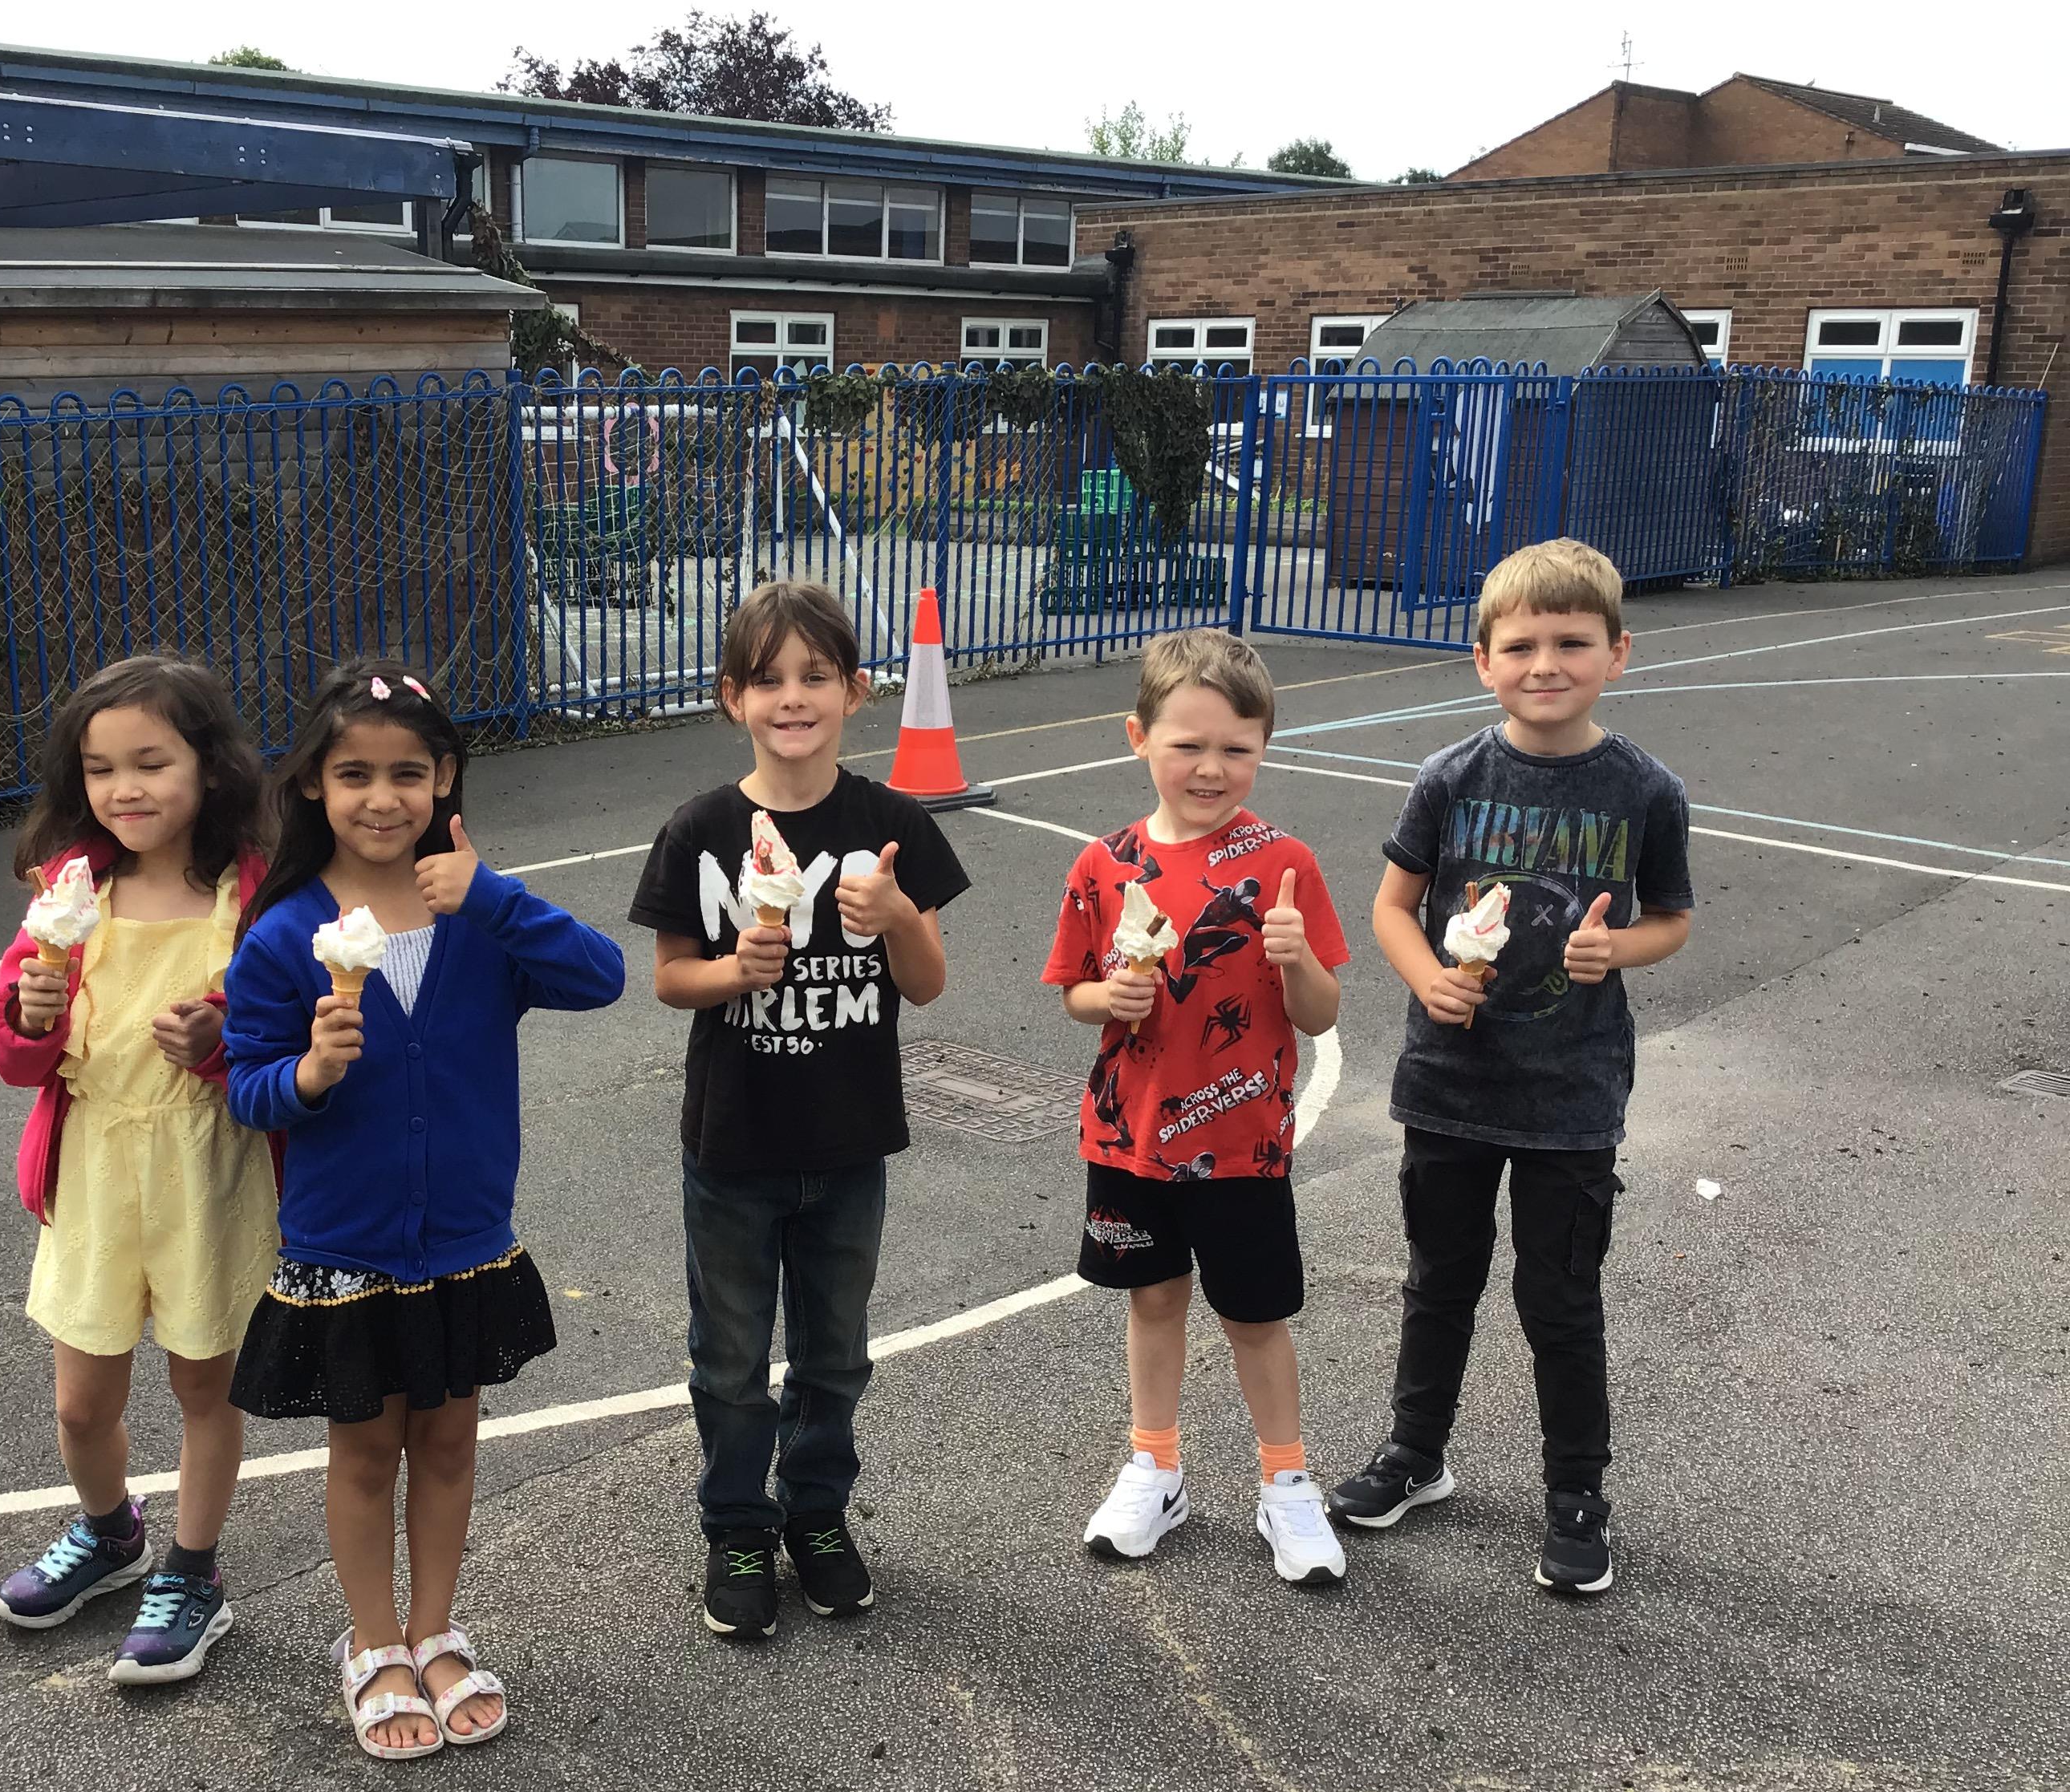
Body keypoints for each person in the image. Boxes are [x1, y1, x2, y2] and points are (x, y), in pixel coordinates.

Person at [222, 663, 624, 1758]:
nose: (381, 797)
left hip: (464, 1242)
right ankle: (372, 1643)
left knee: (448, 1442)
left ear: (444, 778)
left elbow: (600, 977)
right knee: (365, 1453)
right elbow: (245, 1084)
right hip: (345, 1247)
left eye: (407, 773)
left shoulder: (480, 917)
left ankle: (435, 1628)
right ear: (314, 785)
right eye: (354, 774)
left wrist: (490, 894)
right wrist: (307, 1076)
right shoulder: (284, 934)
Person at [1328, 537, 1693, 1595]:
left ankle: (1577, 1493)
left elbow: (1671, 919)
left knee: (1559, 1300)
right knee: (1438, 1283)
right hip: (1450, 1083)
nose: (1546, 664)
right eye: (1522, 645)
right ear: (1483, 659)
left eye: (1572, 643)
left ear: (1616, 653)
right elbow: (1393, 908)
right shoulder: (1450, 778)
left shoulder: (1644, 790)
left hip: (1571, 1095)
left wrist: (1616, 949)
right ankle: (1416, 1453)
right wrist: (1428, 978)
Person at [628, 580, 969, 1642]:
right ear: (732, 697)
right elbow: (670, 977)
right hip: (732, 1146)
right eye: (768, 678)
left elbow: (928, 984)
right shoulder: (702, 829)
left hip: (849, 1141)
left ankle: (816, 1511)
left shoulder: (889, 824)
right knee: (730, 1359)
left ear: (856, 692)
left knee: (835, 1353)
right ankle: (739, 1525)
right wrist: (735, 971)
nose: (793, 697)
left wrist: (897, 913)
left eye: (815, 676)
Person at [0, 655, 276, 1685]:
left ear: (210, 765)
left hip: (212, 1169)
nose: (126, 789)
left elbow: (283, 1034)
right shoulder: (70, 890)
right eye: (102, 769)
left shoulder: (255, 890)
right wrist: (30, 1017)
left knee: (205, 1385)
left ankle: (194, 1572)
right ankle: (113, 1534)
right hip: (96, 1169)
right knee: (82, 1401)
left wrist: (222, 1041)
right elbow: (15, 1055)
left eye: (152, 762)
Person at [1045, 629, 1354, 1586]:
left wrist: (1295, 960)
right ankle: (1155, 1469)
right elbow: (1074, 992)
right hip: (1131, 1138)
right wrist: (1108, 995)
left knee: (1256, 1317)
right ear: (1138, 736)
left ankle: (1286, 1482)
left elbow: (1320, 1014)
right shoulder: (1103, 865)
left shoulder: (1284, 862)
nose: (1211, 768)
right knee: (1153, 1300)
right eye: (1188, 745)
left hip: (1242, 1142)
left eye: (1236, 748)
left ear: (1264, 749)